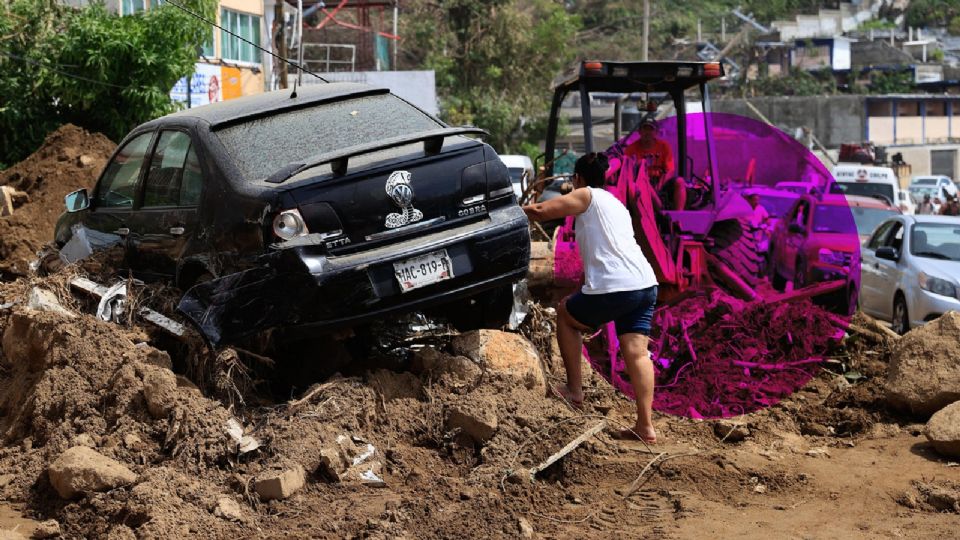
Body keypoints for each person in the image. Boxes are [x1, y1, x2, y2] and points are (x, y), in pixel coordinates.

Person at [522, 153, 660, 443]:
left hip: (618, 285)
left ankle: (574, 390)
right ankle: (645, 426)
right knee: (637, 353)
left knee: (565, 314)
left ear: (578, 178)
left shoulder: (585, 195)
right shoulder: (616, 203)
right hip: (645, 284)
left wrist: (504, 210)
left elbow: (540, 210)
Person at [606, 117, 683, 211]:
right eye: (645, 129)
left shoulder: (664, 146)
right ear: (639, 132)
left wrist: (660, 185)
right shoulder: (631, 149)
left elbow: (669, 170)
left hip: (660, 181)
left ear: (656, 132)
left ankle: (679, 215)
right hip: (640, 182)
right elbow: (626, 172)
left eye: (651, 129)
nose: (648, 133)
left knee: (680, 182)